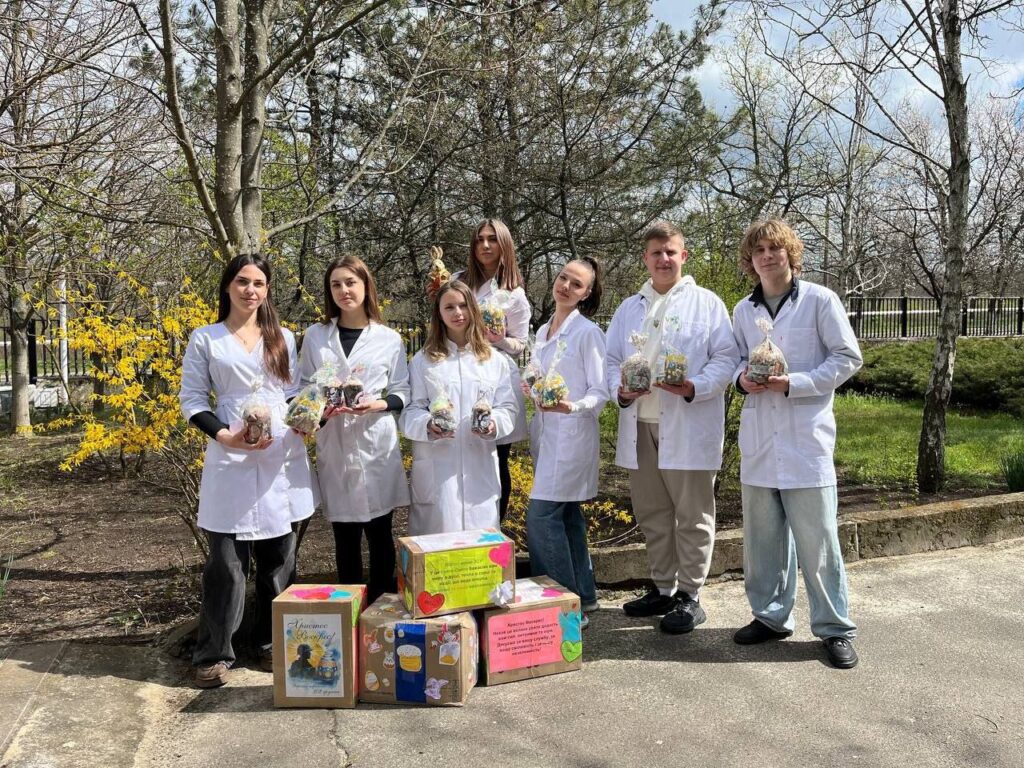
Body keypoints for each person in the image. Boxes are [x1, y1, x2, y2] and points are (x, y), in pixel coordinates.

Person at [179, 254, 319, 689]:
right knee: (226, 564)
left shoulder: (283, 337)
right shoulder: (206, 339)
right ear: (228, 286)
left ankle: (271, 642)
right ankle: (214, 652)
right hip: (232, 458)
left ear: (267, 290)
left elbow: (294, 392)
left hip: (281, 456)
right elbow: (192, 399)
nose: (250, 290)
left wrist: (307, 417)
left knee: (280, 560)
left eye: (259, 283)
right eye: (242, 281)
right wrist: (225, 436)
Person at [731, 219, 862, 669]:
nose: (767, 256)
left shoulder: (820, 300)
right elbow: (734, 361)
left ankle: (835, 628)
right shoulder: (743, 310)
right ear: (750, 260)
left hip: (806, 440)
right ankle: (770, 617)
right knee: (763, 541)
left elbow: (848, 357)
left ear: (791, 253)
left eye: (776, 248)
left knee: (818, 542)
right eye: (759, 250)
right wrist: (742, 381)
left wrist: (796, 383)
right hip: (760, 441)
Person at [605, 221, 739, 634]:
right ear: (645, 258)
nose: (663, 259)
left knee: (693, 514)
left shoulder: (707, 304)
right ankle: (663, 588)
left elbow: (727, 358)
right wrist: (620, 391)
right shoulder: (629, 308)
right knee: (652, 513)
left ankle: (690, 595)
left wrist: (695, 386)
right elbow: (610, 361)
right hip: (640, 423)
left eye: (670, 252)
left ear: (684, 256)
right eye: (656, 253)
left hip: (687, 422)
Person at [298, 255, 410, 605]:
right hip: (335, 440)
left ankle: (381, 609)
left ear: (365, 286)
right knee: (344, 534)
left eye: (351, 282)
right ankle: (348, 611)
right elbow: (304, 385)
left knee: (380, 532)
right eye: (336, 284)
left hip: (375, 441)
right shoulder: (316, 336)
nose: (344, 290)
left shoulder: (388, 338)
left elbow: (402, 389)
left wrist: (379, 404)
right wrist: (318, 409)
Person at [525, 258, 609, 628]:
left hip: (572, 435)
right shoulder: (544, 330)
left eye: (576, 284)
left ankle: (564, 608)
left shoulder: (588, 333)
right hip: (547, 435)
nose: (566, 287)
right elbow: (540, 376)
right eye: (563, 278)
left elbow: (601, 390)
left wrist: (572, 406)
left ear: (586, 294)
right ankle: (585, 595)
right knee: (568, 514)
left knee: (542, 517)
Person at [400, 281, 518, 534]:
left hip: (479, 471)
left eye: (463, 305)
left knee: (479, 549)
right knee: (438, 547)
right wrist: (427, 425)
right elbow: (410, 410)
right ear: (439, 313)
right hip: (438, 473)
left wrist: (494, 424)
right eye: (449, 307)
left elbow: (508, 407)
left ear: (473, 308)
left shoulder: (495, 360)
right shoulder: (423, 360)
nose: (458, 313)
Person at [456, 219, 531, 522]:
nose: (485, 245)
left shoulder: (514, 294)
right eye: (479, 239)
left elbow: (520, 344)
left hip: (495, 377)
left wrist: (499, 339)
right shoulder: (458, 281)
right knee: (459, 450)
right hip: (458, 372)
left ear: (504, 245)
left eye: (492, 239)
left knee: (497, 459)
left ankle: (493, 527)